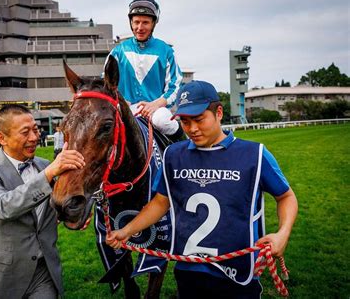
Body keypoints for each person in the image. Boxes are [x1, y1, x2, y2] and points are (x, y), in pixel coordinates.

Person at [107, 81, 298, 298]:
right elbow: (161, 202)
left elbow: (286, 196)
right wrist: (126, 231)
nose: (193, 129)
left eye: (199, 120)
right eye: (185, 122)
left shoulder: (254, 154)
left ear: (219, 112)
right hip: (189, 271)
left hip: (239, 274)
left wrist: (283, 234)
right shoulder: (173, 155)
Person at [0, 104, 85, 299]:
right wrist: (48, 175)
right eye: (25, 132)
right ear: (1, 138)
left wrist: (71, 215)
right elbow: (2, 206)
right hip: (4, 274)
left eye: (35, 129)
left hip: (44, 270)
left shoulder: (45, 166)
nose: (34, 137)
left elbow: (51, 209)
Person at [108, 0, 183, 140]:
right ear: (131, 22)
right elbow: (105, 83)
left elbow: (176, 87)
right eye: (136, 22)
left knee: (163, 120)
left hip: (156, 110)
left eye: (145, 23)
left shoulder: (166, 51)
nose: (140, 28)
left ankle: (186, 152)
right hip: (123, 108)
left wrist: (156, 104)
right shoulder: (117, 52)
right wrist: (121, 101)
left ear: (153, 23)